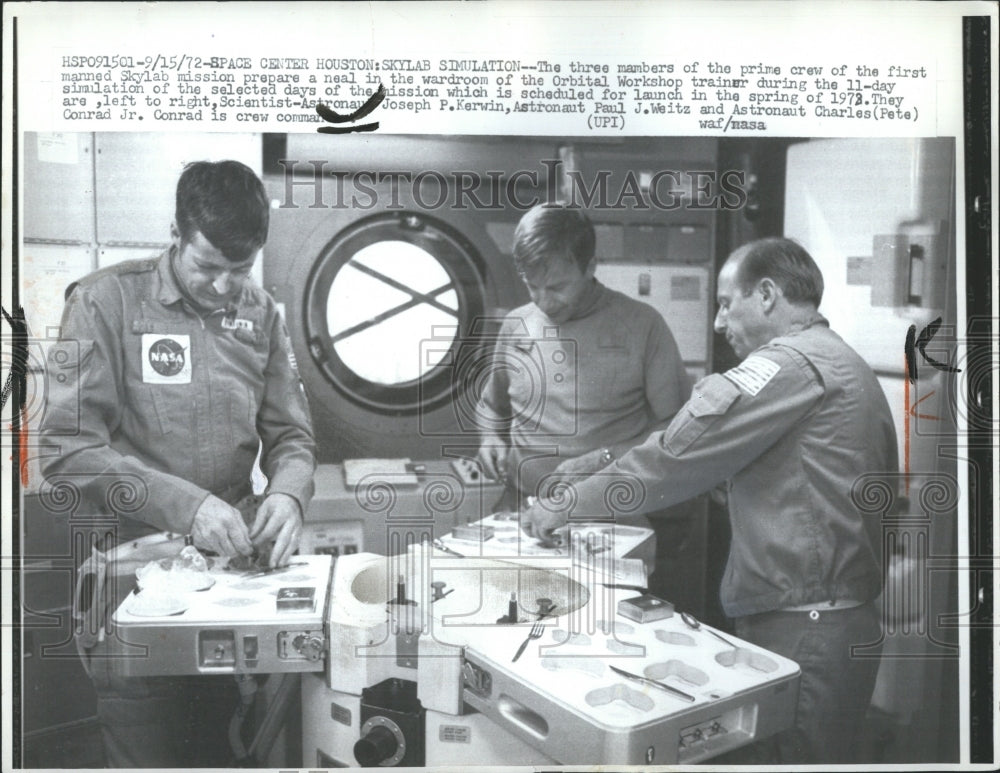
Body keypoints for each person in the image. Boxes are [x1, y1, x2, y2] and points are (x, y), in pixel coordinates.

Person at [522, 237, 897, 764]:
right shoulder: (833, 360)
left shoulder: (785, 367)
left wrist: (566, 504)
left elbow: (676, 460)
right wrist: (597, 463)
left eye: (726, 303)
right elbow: (720, 460)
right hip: (822, 618)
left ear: (766, 295)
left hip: (806, 627)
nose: (719, 323)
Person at [40, 160, 317, 767]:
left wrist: (288, 494)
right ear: (175, 232)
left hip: (232, 578)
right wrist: (188, 507)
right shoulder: (104, 303)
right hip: (135, 581)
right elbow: (66, 449)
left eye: (239, 270)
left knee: (227, 745)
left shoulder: (261, 314)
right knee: (149, 750)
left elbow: (292, 436)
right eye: (208, 267)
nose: (224, 288)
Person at [474, 203, 694, 568]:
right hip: (522, 512)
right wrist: (490, 438)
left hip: (608, 519)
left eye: (557, 287)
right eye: (533, 287)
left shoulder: (643, 326)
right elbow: (492, 406)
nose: (544, 302)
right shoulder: (516, 325)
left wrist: (602, 458)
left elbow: (675, 431)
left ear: (590, 266)